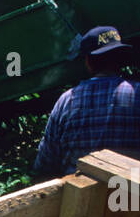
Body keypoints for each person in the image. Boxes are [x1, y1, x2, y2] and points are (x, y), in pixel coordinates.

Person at [33, 26, 140, 177]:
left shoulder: (66, 101)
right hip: (131, 196)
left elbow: (45, 164)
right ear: (120, 59)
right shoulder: (137, 93)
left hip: (80, 197)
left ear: (88, 62)